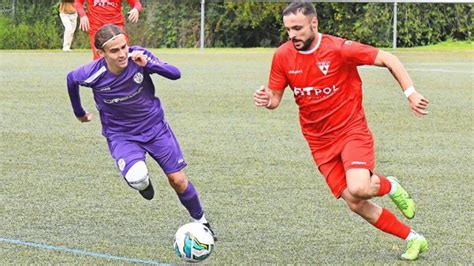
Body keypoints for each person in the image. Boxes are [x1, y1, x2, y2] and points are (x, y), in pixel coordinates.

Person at [254, 1, 429, 261]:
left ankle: (390, 185)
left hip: (351, 131)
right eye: (288, 29)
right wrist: (266, 99)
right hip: (319, 142)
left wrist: (411, 93)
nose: (292, 35)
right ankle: (414, 238)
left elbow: (388, 59)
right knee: (355, 202)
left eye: (298, 28)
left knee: (358, 187)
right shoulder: (282, 56)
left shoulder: (339, 49)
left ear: (314, 23)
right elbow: (276, 99)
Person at [66, 24, 216, 239]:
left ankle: (201, 221)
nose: (122, 54)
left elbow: (176, 74)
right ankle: (143, 184)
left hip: (155, 129)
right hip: (121, 136)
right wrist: (79, 112)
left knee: (178, 180)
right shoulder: (93, 73)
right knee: (137, 178)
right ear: (101, 53)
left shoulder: (139, 56)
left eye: (123, 47)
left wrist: (151, 64)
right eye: (114, 50)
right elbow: (71, 79)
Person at [74, 0, 142, 59]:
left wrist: (136, 9)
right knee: (99, 57)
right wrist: (83, 15)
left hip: (116, 27)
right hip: (96, 27)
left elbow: (136, 3)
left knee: (123, 55)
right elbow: (77, 2)